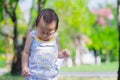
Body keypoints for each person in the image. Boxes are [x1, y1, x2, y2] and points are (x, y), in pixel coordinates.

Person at [22, 8, 70, 80]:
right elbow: (26, 53)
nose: (44, 35)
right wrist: (25, 67)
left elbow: (56, 54)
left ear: (55, 30)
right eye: (42, 32)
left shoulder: (55, 39)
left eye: (48, 33)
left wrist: (63, 54)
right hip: (33, 76)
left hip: (50, 77)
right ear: (36, 26)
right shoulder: (32, 37)